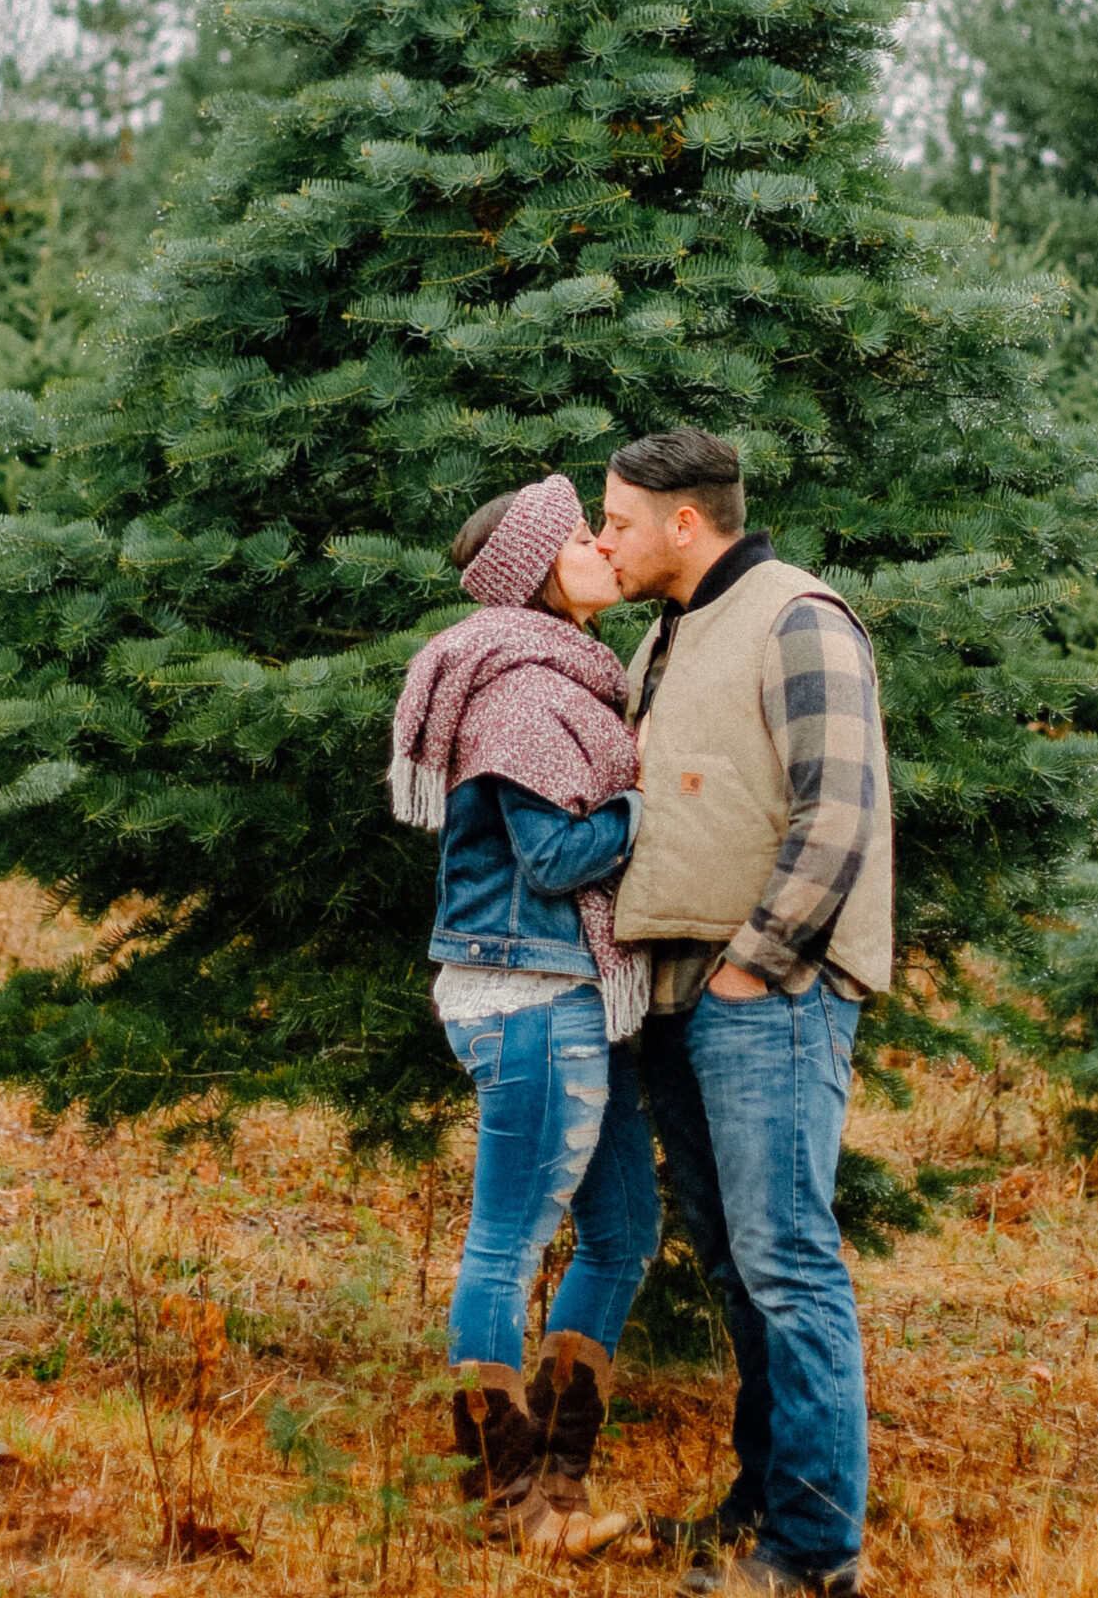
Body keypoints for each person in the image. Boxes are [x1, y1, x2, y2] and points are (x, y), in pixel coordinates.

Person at [596, 429, 893, 1598]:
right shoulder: (663, 633)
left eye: (618, 519)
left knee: (788, 1261)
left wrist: (753, 965)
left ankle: (817, 1551)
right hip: (677, 997)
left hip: (766, 997)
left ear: (685, 519)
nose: (602, 538)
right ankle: (763, 1504)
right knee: (734, 1263)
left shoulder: (796, 617)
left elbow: (840, 810)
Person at [390, 471, 659, 1557]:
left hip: (575, 990)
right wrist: (655, 806)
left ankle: (558, 1480)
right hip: (531, 991)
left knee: (624, 1231)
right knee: (506, 1241)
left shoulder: (564, 674)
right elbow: (551, 856)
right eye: (585, 535)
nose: (604, 543)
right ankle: (509, 1503)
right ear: (543, 563)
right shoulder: (516, 688)